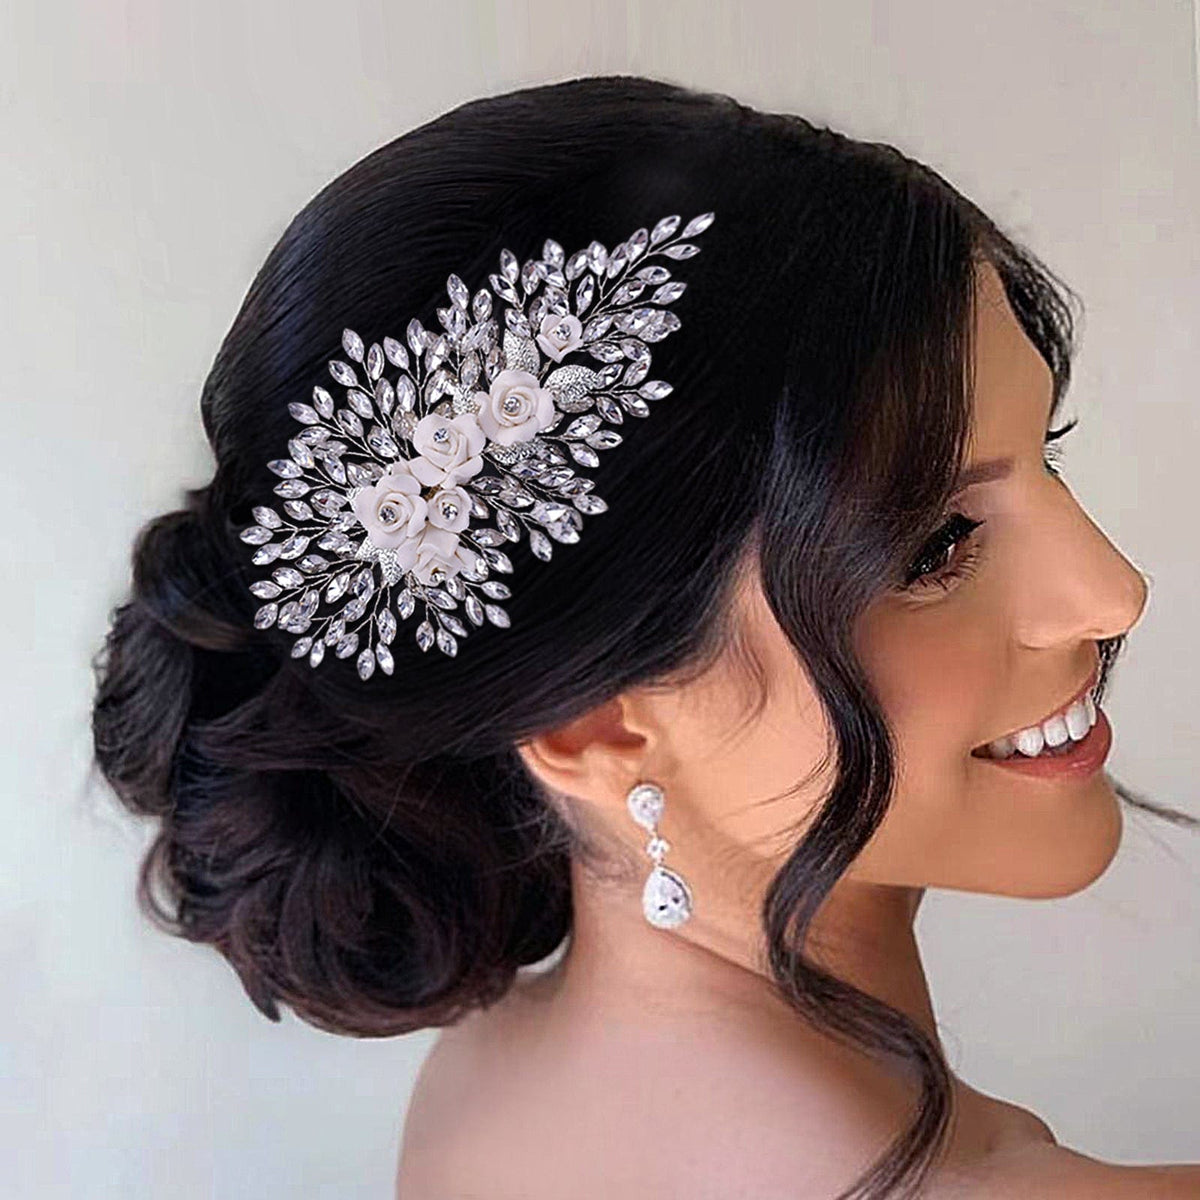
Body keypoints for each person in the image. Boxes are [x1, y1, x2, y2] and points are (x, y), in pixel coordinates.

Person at [90, 75, 1199, 1199]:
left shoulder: (492, 1080)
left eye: (1046, 454)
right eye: (936, 545)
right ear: (592, 723)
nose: (1113, 592)